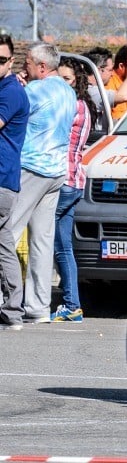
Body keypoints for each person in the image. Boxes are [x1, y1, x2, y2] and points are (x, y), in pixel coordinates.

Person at [1, 42, 76, 326]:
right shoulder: (68, 91)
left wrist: (19, 86)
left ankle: (7, 300)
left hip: (32, 168)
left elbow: (14, 112)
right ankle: (39, 305)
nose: (25, 67)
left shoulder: (34, 90)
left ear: (42, 67)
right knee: (42, 241)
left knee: (7, 233)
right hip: (57, 172)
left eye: (29, 63)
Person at [49, 57, 94, 323]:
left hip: (64, 181)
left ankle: (41, 302)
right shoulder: (84, 106)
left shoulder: (72, 107)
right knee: (62, 247)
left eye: (65, 79)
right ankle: (71, 304)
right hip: (75, 180)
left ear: (75, 81)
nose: (61, 84)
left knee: (46, 243)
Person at [0, 35, 30, 331]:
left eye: (0, 59)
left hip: (1, 180)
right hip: (6, 181)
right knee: (5, 245)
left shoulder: (10, 92)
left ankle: (13, 310)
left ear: (11, 61)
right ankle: (12, 311)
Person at [82, 46, 114, 133]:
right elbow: (123, 96)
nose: (112, 74)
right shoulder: (91, 91)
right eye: (110, 70)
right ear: (100, 70)